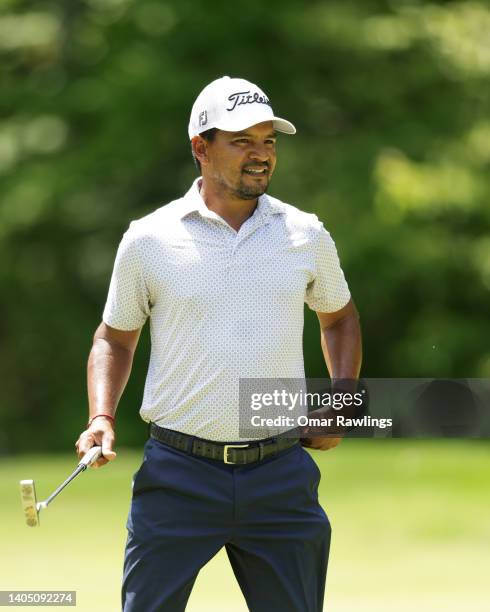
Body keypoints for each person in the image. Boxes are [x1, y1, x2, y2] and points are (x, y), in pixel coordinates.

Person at [75, 76, 362, 612]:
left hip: (280, 475)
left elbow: (339, 318)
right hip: (178, 473)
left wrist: (343, 399)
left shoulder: (305, 233)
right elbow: (115, 338)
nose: (261, 155)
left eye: (268, 141)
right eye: (242, 141)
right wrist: (102, 417)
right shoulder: (149, 238)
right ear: (200, 148)